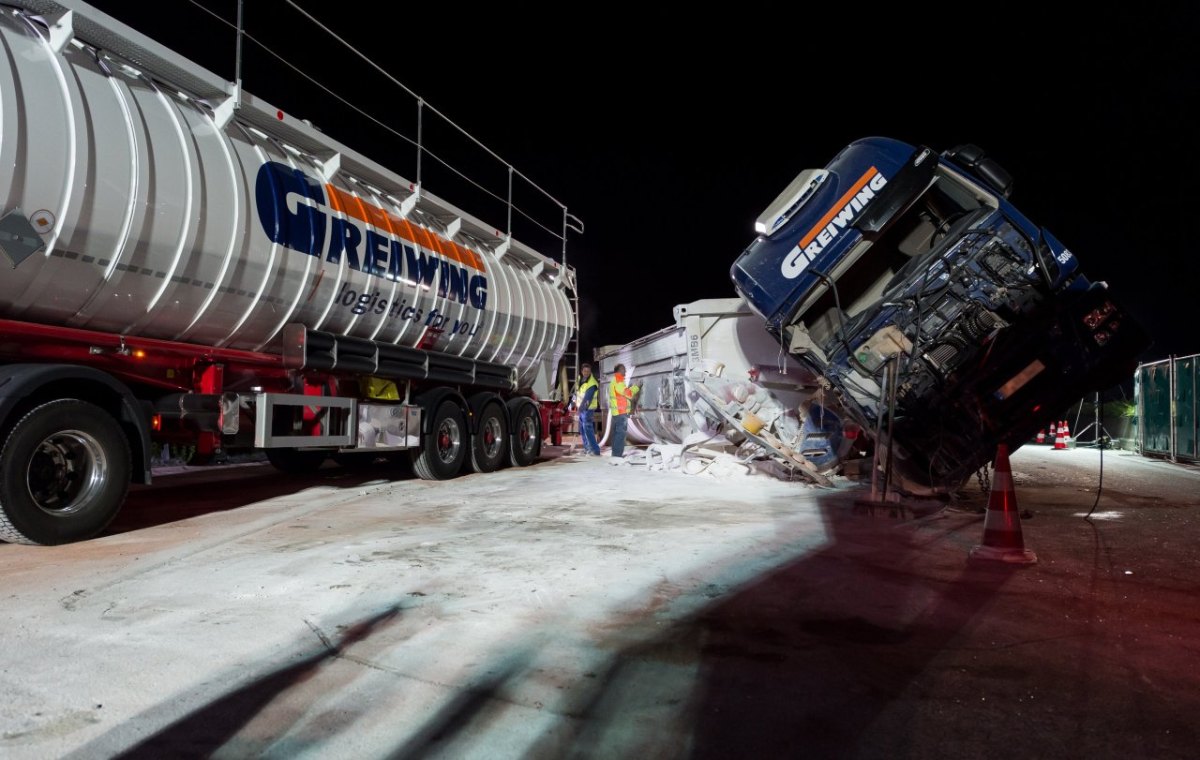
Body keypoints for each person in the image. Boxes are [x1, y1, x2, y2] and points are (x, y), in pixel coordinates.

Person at [607, 363, 640, 459]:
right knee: (620, 435)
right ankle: (617, 455)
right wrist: (637, 386)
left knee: (617, 434)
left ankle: (615, 454)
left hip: (617, 413)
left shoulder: (615, 381)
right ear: (619, 371)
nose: (625, 372)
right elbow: (628, 394)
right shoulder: (618, 381)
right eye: (623, 370)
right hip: (621, 413)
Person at [570, 363, 601, 456]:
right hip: (582, 409)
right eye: (584, 371)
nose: (586, 373)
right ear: (581, 371)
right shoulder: (580, 379)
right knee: (582, 429)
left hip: (588, 409)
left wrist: (580, 409)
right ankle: (587, 448)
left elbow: (588, 398)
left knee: (588, 429)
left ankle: (595, 450)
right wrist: (572, 405)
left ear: (590, 371)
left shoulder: (592, 383)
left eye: (588, 371)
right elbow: (576, 393)